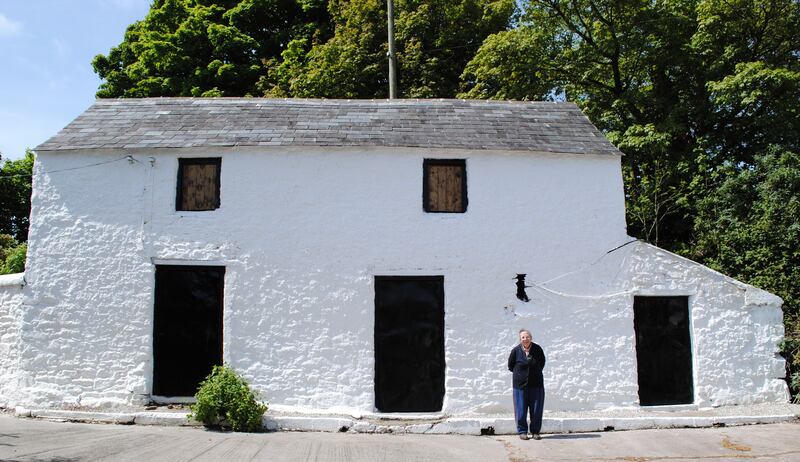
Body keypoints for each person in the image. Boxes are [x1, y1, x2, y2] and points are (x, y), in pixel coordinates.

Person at [507, 328, 546, 440]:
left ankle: (535, 432)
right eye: (523, 337)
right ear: (520, 339)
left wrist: (534, 373)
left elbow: (542, 362)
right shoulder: (515, 351)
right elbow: (511, 366)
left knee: (536, 409)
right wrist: (521, 375)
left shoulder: (537, 349)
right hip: (520, 386)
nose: (525, 339)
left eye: (527, 337)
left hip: (536, 385)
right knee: (520, 410)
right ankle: (522, 431)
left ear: (531, 338)